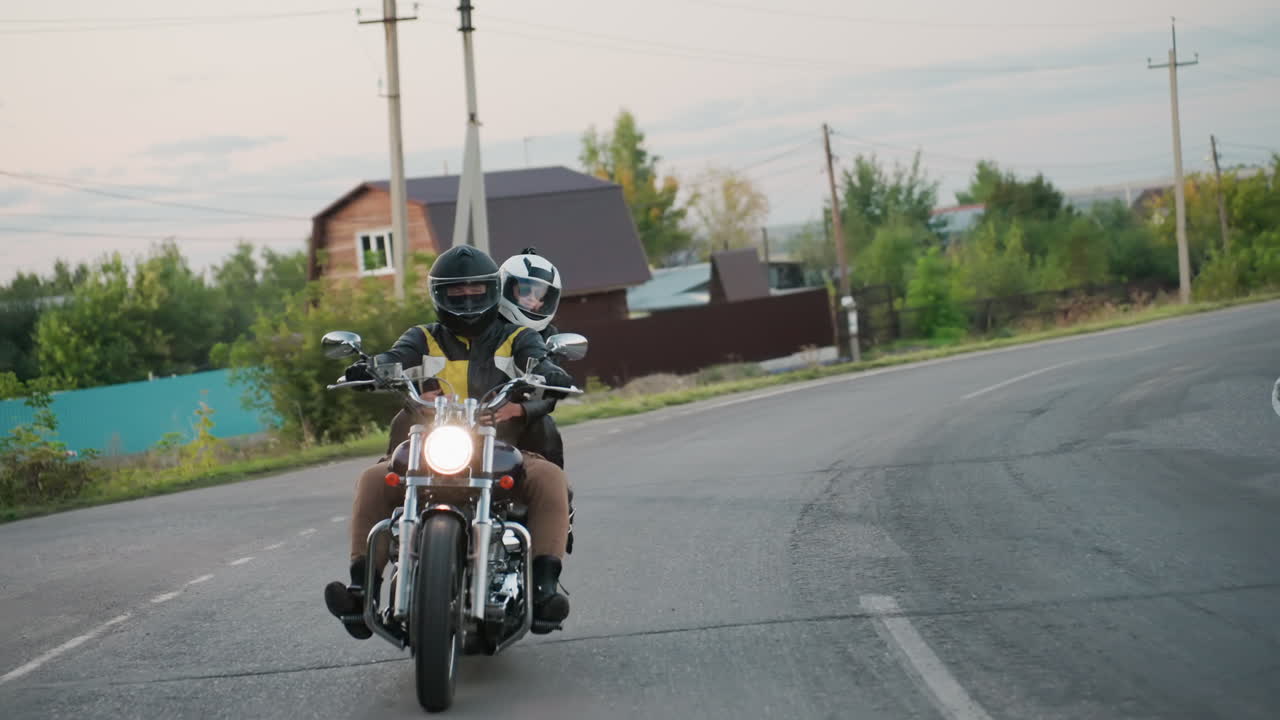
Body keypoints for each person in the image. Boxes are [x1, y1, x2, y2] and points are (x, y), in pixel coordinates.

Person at [323, 245, 574, 640]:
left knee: (550, 480)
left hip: (503, 448)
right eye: (456, 292)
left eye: (476, 290)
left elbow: (538, 359)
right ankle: (361, 590)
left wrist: (548, 371)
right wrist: (368, 367)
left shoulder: (518, 337)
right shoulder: (422, 337)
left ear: (494, 291)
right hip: (433, 445)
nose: (468, 299)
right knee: (372, 479)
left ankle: (543, 588)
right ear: (439, 294)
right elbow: (396, 357)